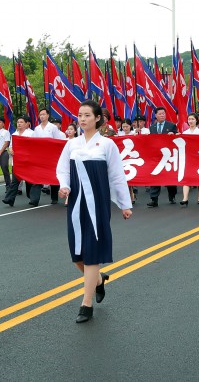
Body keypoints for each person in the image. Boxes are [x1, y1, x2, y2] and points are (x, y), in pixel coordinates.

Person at [56, 100, 133, 323]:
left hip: (97, 204)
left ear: (98, 119)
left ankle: (86, 304)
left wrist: (124, 204)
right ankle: (98, 281)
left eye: (87, 115)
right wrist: (64, 185)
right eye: (80, 115)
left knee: (92, 254)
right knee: (76, 255)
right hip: (76, 204)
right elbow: (62, 169)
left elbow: (117, 176)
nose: (82, 119)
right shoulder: (71, 144)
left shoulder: (107, 145)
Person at [145, 106, 178, 207]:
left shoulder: (171, 125)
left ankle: (172, 195)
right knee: (155, 176)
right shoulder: (152, 127)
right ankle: (154, 199)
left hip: (168, 156)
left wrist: (173, 134)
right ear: (156, 115)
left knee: (169, 177)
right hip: (156, 156)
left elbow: (178, 138)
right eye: (160, 114)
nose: (162, 115)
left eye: (163, 113)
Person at [2, 117, 35, 207]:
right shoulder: (14, 134)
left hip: (27, 161)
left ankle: (32, 197)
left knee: (29, 181)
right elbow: (11, 146)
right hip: (17, 162)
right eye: (18, 122)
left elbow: (34, 146)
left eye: (21, 122)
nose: (19, 124)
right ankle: (9, 199)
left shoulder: (31, 133)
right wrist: (11, 149)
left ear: (26, 124)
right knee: (15, 181)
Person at [180, 114, 199, 206]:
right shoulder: (185, 133)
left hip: (198, 157)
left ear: (196, 121)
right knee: (186, 177)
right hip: (188, 157)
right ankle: (185, 198)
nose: (190, 121)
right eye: (189, 119)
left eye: (192, 119)